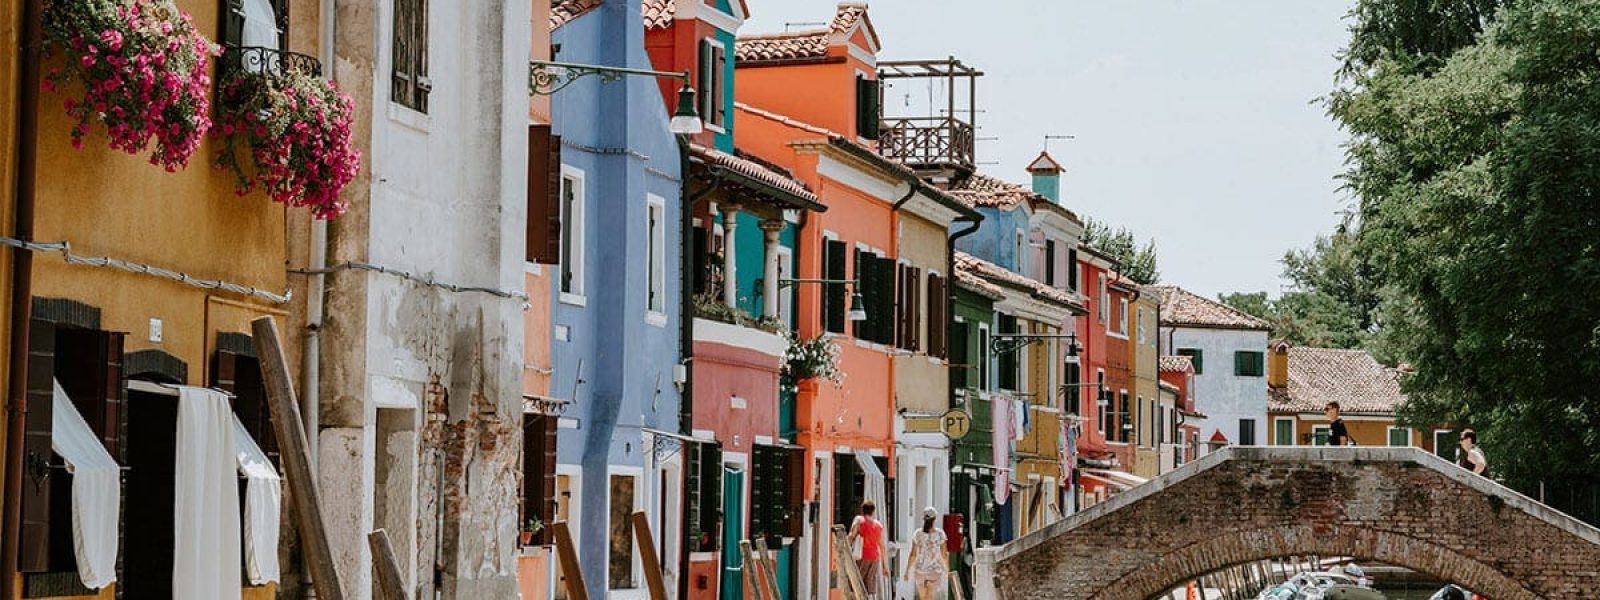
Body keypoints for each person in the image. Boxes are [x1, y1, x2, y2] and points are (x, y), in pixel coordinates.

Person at [903, 506, 949, 600]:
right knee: (930, 597)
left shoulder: (917, 534)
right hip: (934, 570)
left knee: (923, 598)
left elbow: (913, 554)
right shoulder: (940, 534)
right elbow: (944, 554)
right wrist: (947, 569)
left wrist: (907, 571)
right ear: (935, 519)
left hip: (920, 571)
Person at [847, 500, 889, 597]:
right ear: (873, 511)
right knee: (869, 584)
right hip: (874, 558)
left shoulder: (859, 521)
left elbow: (851, 536)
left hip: (862, 556)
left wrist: (846, 549)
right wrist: (885, 566)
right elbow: (882, 547)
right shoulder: (879, 526)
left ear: (862, 510)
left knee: (857, 583)